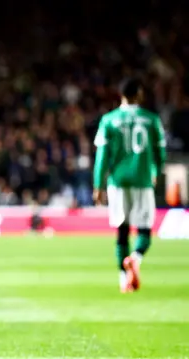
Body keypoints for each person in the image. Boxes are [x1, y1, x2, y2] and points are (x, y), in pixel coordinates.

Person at [93, 77, 166, 293]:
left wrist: (98, 185)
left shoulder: (108, 120)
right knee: (144, 230)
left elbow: (102, 156)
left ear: (121, 95)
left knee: (122, 231)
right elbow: (160, 152)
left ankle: (124, 279)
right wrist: (155, 171)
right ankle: (136, 258)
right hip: (142, 180)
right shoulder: (151, 119)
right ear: (139, 94)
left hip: (118, 182)